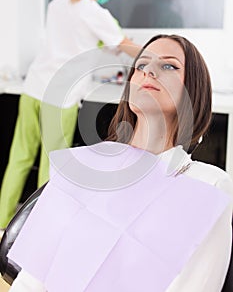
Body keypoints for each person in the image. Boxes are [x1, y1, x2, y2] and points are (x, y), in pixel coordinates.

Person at [8, 34, 233, 291]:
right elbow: (34, 276)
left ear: (193, 90)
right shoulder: (84, 168)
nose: (149, 72)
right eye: (141, 66)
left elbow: (197, 285)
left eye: (168, 65)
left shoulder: (207, 185)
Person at [0, 0, 139, 229]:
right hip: (59, 95)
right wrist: (156, 58)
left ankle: (2, 223)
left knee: (19, 157)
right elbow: (125, 46)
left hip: (33, 88)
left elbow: (74, 41)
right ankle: (40, 230)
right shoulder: (94, 12)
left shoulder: (58, 2)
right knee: (52, 165)